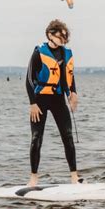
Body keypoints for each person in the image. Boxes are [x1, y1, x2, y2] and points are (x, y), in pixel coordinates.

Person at [25, 19, 80, 186]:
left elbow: (70, 77)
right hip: (40, 100)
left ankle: (74, 177)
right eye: (60, 36)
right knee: (36, 138)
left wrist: (73, 93)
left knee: (68, 136)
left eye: (65, 37)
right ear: (50, 34)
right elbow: (28, 80)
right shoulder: (38, 53)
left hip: (58, 99)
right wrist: (32, 103)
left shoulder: (66, 53)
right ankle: (33, 177)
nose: (63, 39)